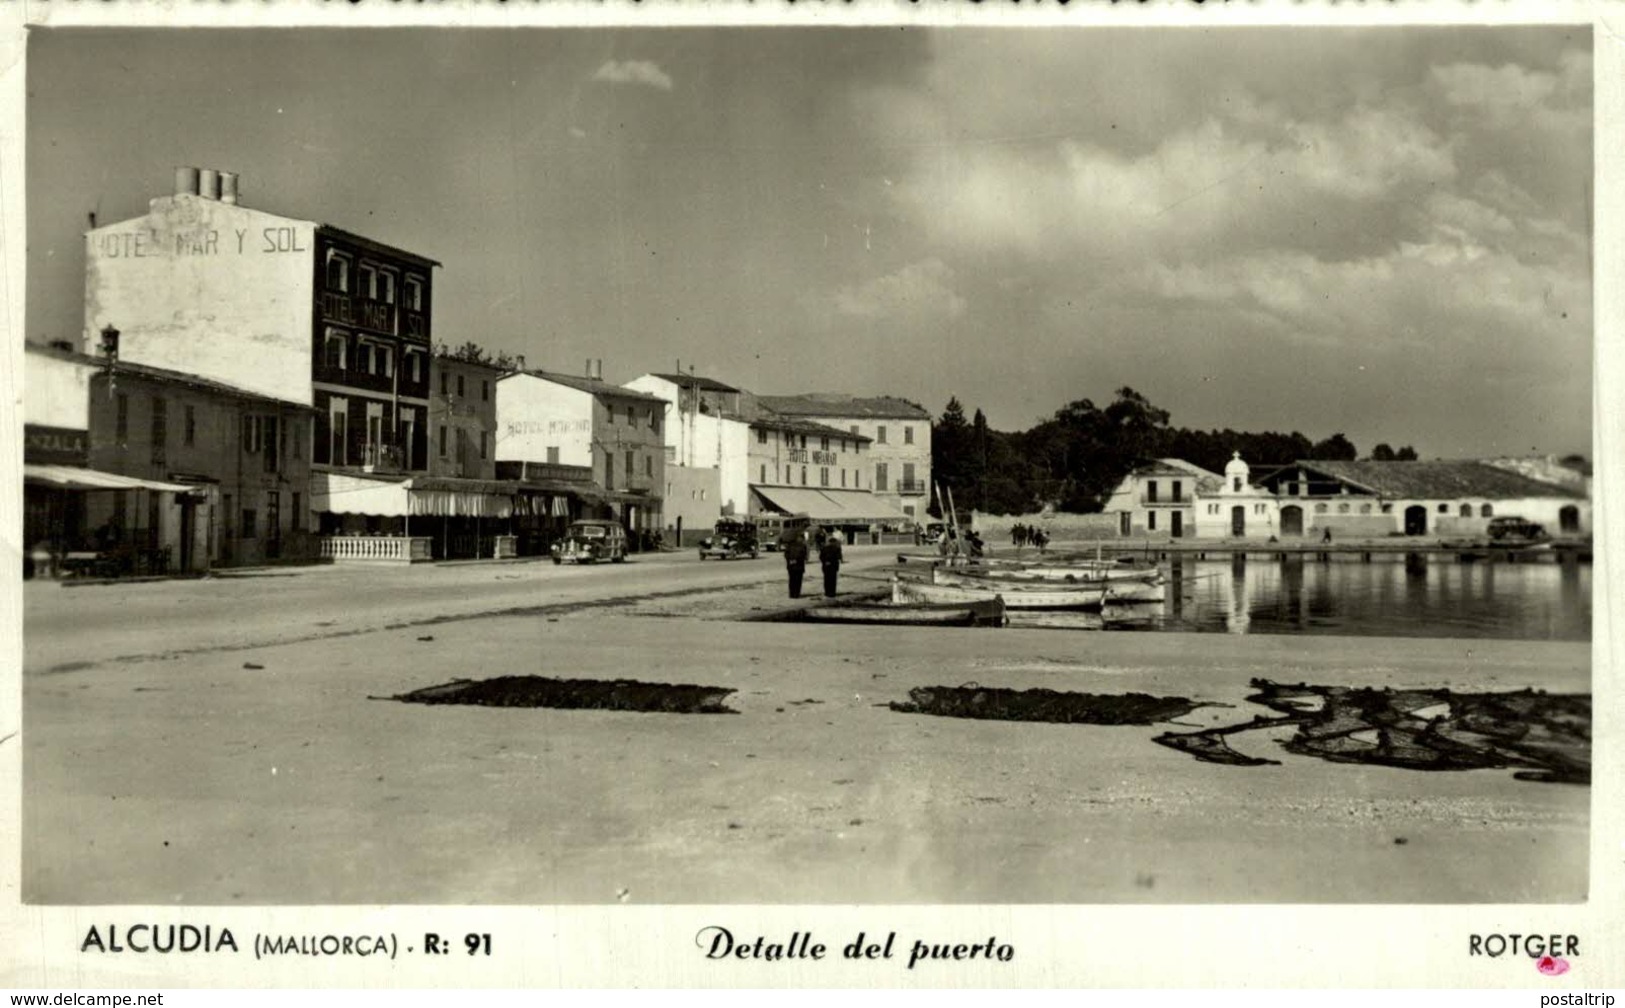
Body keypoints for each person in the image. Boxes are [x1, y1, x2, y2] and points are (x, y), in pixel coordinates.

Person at [781, 529, 809, 598]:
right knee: (798, 580)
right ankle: (796, 594)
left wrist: (790, 560)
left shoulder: (790, 545)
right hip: (799, 566)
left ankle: (792, 594)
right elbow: (804, 556)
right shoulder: (802, 546)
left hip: (791, 565)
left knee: (792, 580)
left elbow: (786, 555)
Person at [819, 528, 844, 597]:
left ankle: (827, 592)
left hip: (826, 566)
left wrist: (825, 562)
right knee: (833, 580)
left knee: (826, 579)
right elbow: (839, 557)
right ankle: (832, 593)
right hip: (833, 566)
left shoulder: (824, 548)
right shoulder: (837, 548)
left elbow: (821, 557)